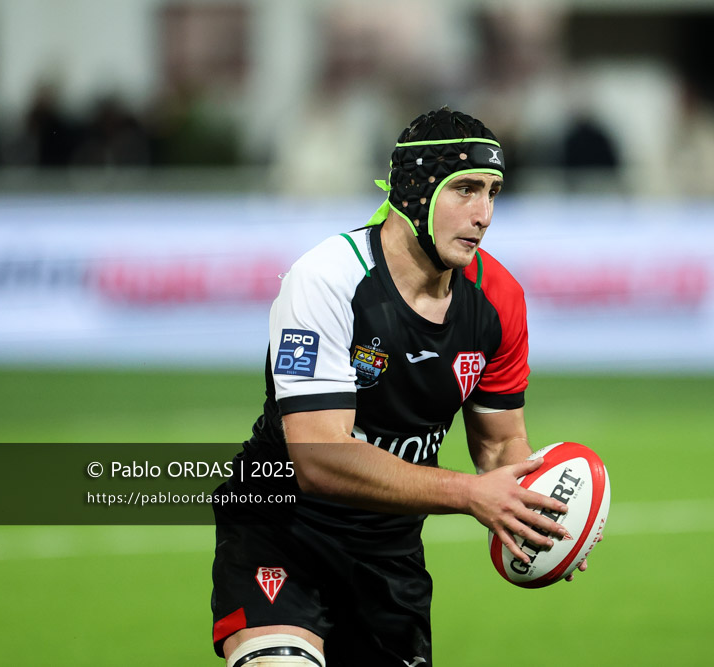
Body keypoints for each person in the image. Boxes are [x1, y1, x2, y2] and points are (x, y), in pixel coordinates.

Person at [212, 107, 588, 667]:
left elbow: (500, 445)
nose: (484, 214)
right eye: (465, 189)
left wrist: (538, 518)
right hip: (282, 527)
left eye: (492, 192)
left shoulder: (499, 300)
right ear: (415, 190)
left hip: (389, 552)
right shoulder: (328, 278)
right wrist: (468, 494)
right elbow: (319, 456)